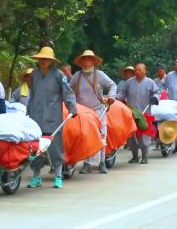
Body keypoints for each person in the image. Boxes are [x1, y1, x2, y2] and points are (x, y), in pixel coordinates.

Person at [26, 47, 77, 189]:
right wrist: (28, 111)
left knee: (55, 147)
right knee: (36, 147)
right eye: (41, 59)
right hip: (36, 116)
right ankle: (36, 176)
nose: (43, 61)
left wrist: (72, 107)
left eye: (46, 59)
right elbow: (32, 95)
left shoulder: (58, 75)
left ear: (51, 61)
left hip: (53, 116)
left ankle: (58, 176)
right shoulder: (34, 74)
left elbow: (68, 92)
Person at [70, 50, 117, 174]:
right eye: (84, 59)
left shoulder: (100, 75)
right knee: (86, 138)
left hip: (98, 110)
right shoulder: (77, 75)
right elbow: (68, 90)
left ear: (93, 61)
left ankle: (102, 163)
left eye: (89, 59)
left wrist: (111, 97)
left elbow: (113, 85)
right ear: (81, 62)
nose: (86, 61)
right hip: (83, 113)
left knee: (101, 136)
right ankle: (87, 164)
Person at [115, 63, 159, 164]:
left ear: (145, 71)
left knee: (144, 135)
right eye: (136, 70)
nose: (137, 72)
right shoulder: (129, 82)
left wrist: (155, 98)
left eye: (139, 70)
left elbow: (157, 92)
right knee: (131, 135)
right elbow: (122, 93)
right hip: (131, 113)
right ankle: (135, 156)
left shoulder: (150, 82)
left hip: (145, 113)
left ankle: (145, 156)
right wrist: (116, 98)